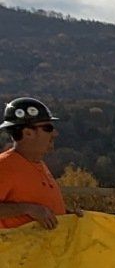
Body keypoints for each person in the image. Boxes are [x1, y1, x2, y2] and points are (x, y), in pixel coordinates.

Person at [0, 97, 68, 231]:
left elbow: (40, 205)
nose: (55, 133)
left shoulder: (38, 164)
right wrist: (27, 209)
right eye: (48, 128)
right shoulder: (5, 166)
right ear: (28, 133)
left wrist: (66, 215)